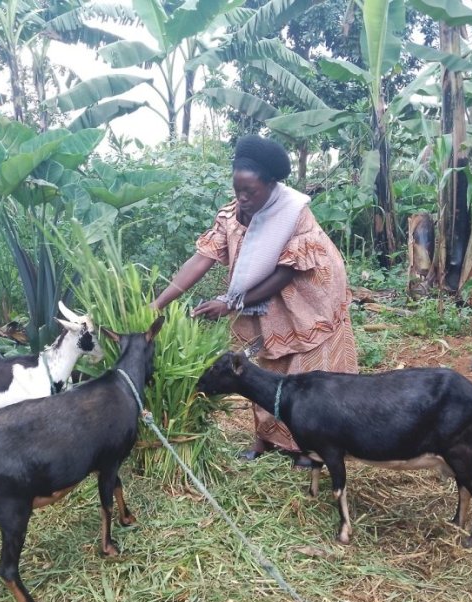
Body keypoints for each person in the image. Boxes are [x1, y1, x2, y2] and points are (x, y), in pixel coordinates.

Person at [152, 135, 358, 465]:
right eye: (238, 190)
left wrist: (233, 303)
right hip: (263, 302)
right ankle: (266, 440)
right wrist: (157, 304)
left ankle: (313, 447)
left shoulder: (294, 214)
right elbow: (201, 259)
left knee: (307, 372)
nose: (243, 198)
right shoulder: (232, 215)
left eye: (251, 191)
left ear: (271, 185)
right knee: (261, 370)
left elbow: (286, 274)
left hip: (309, 297)